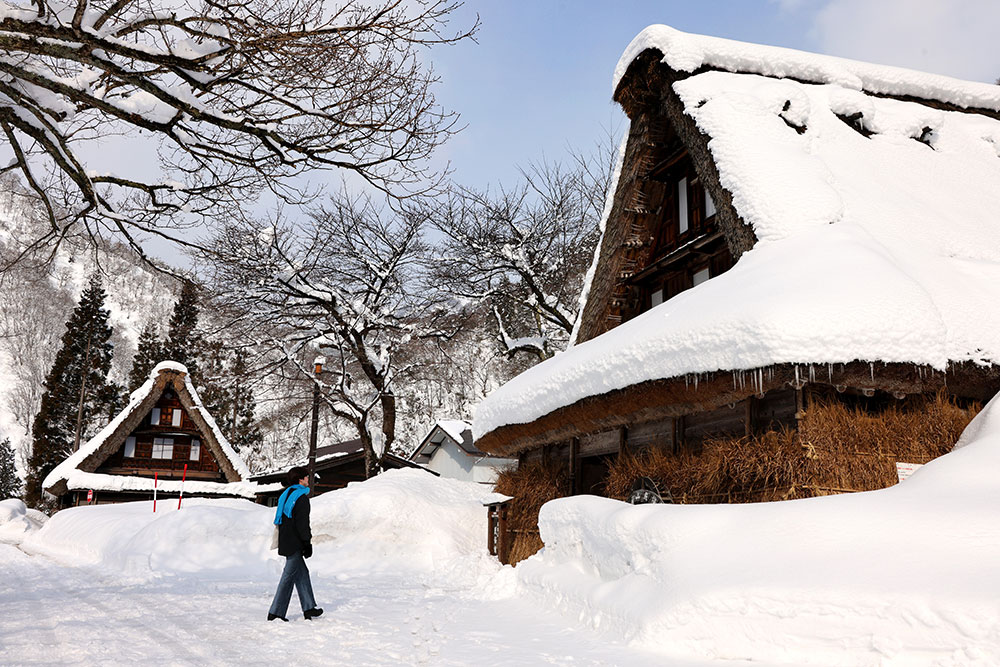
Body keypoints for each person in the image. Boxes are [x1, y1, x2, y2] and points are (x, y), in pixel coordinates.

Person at [268, 465, 323, 621]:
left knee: (302, 573)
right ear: (301, 479)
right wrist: (307, 543)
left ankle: (309, 607)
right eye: (306, 477)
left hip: (286, 540)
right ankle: (276, 613)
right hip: (296, 542)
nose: (308, 480)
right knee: (288, 577)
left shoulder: (286, 494)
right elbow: (302, 523)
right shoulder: (301, 497)